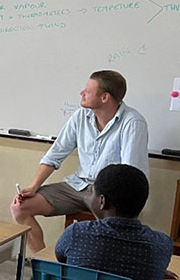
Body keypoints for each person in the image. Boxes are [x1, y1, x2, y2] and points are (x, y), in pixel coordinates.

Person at [12, 70, 149, 254]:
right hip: (78, 185)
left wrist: (107, 199)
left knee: (114, 228)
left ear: (104, 97)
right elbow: (56, 153)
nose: (81, 93)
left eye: (87, 90)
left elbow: (130, 174)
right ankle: (43, 266)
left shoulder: (132, 122)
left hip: (108, 194)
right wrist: (33, 186)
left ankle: (98, 270)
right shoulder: (80, 116)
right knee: (20, 208)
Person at [55, 163, 173, 280]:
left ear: (102, 201)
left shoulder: (76, 233)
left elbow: (61, 257)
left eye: (93, 194)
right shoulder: (161, 245)